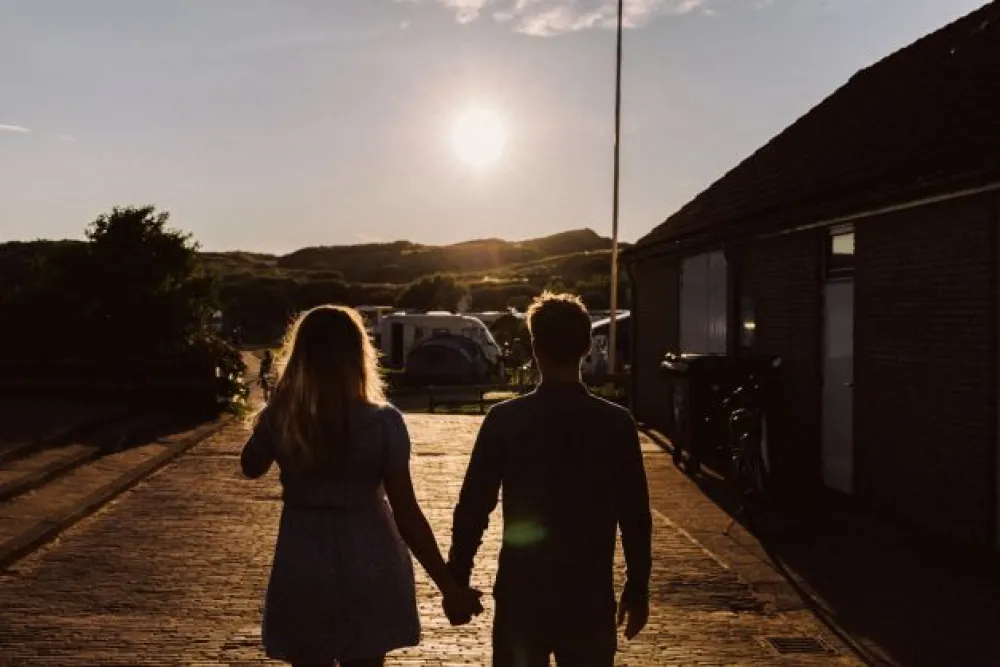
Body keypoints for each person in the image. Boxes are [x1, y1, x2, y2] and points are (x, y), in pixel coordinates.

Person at [240, 305, 483, 667]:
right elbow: (407, 513)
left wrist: (274, 409)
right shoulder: (383, 423)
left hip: (304, 555)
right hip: (369, 554)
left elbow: (251, 466)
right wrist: (449, 587)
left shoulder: (284, 417)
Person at [448, 292, 652, 667]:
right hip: (589, 597)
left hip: (522, 595)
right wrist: (638, 587)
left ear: (534, 347)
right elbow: (636, 515)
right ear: (587, 346)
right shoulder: (616, 423)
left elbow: (474, 507)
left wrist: (456, 579)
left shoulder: (504, 420)